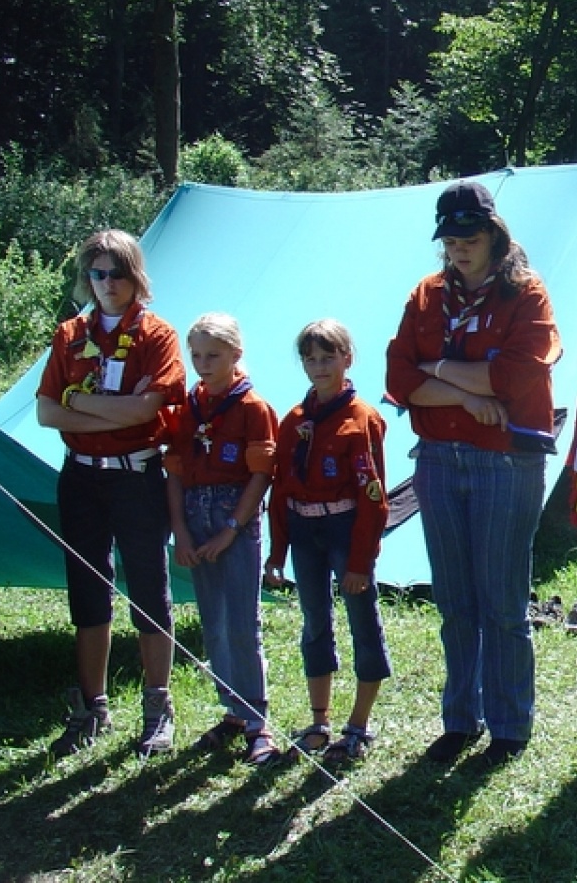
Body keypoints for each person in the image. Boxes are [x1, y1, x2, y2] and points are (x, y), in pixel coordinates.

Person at [386, 180, 561, 767]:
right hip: (439, 459)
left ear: (493, 234)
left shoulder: (527, 296)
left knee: (502, 601)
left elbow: (512, 380)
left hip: (507, 459)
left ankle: (510, 725)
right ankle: (461, 719)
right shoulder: (426, 295)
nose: (459, 247)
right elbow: (397, 378)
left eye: (470, 236)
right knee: (455, 600)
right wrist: (462, 393)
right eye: (450, 238)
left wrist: (436, 371)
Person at [37, 230, 187, 757]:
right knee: (88, 586)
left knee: (148, 584)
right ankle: (93, 708)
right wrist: (110, 408)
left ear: (135, 276)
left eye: (117, 273)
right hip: (79, 476)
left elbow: (149, 410)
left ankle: (157, 707)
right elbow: (46, 412)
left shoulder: (157, 335)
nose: (107, 284)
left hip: (136, 475)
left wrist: (80, 403)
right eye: (98, 273)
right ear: (87, 277)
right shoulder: (69, 334)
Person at [267, 320, 392, 764]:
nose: (319, 367)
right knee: (314, 622)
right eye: (310, 359)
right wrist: (276, 553)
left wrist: (360, 560)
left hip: (345, 529)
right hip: (304, 532)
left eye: (328, 357)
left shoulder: (362, 420)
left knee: (362, 619)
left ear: (347, 359)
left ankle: (358, 725)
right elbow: (279, 490)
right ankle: (319, 721)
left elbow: (373, 496)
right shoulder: (294, 421)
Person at [164, 313, 279, 765]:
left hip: (235, 516)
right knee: (213, 621)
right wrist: (181, 530)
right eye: (196, 355)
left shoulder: (252, 407)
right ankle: (232, 710)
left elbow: (261, 473)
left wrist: (232, 527)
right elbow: (172, 472)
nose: (203, 363)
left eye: (213, 355)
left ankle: (257, 720)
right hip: (195, 514)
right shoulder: (186, 407)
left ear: (236, 355)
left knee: (240, 621)